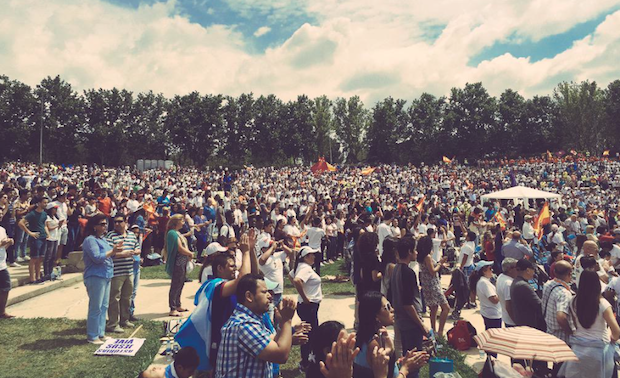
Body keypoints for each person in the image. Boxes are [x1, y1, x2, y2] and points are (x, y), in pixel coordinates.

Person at [215, 274, 297, 378]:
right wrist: (287, 321)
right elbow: (280, 355)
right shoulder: (243, 325)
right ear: (249, 296)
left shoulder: (250, 320)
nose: (270, 296)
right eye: (264, 292)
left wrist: (281, 322)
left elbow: (274, 341)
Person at [559, 270, 620, 378]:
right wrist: (612, 338)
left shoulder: (573, 301)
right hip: (599, 351)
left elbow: (575, 324)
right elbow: (616, 331)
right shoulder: (603, 304)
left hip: (577, 349)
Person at [82, 214, 123, 344]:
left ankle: (101, 333)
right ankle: (92, 335)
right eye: (102, 224)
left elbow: (109, 256)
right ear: (94, 226)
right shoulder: (90, 240)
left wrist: (115, 251)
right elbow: (97, 257)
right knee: (96, 306)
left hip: (106, 275)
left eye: (105, 224)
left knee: (104, 306)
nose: (105, 226)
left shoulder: (103, 240)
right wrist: (112, 251)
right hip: (95, 276)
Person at [390, 237, 428, 378]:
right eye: (414, 249)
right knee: (414, 362)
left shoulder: (395, 270)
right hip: (411, 323)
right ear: (409, 252)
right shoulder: (408, 272)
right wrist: (421, 324)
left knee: (408, 357)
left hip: (401, 321)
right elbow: (408, 304)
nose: (416, 252)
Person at [291, 246, 323, 371]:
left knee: (309, 332)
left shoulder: (301, 267)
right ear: (305, 257)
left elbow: (291, 275)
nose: (314, 257)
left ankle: (307, 359)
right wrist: (305, 297)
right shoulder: (305, 268)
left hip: (307, 306)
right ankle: (305, 362)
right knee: (310, 334)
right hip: (308, 306)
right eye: (311, 255)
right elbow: (297, 280)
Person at [105, 215, 139, 332]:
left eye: (120, 221)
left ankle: (124, 319)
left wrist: (134, 252)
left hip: (129, 271)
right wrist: (123, 254)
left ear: (125, 222)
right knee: (114, 298)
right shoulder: (110, 236)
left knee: (127, 297)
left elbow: (138, 248)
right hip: (116, 272)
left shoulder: (131, 235)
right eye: (115, 222)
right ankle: (113, 323)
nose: (117, 224)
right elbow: (109, 253)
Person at [541, 260, 575, 375]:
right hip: (561, 336)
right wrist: (570, 332)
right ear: (569, 274)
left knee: (557, 365)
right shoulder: (564, 293)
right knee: (562, 368)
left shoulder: (548, 284)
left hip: (550, 330)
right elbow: (561, 317)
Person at [416, 236, 449, 337]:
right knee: (446, 308)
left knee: (433, 308)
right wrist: (440, 263)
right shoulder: (427, 257)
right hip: (433, 284)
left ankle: (433, 330)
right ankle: (440, 331)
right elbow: (433, 271)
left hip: (426, 284)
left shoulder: (421, 256)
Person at [469, 260, 501, 357]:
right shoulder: (484, 283)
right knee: (494, 341)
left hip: (487, 312)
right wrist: (501, 294)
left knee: (490, 338)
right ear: (484, 271)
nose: (492, 270)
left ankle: (490, 359)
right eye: (490, 269)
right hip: (493, 314)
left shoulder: (481, 281)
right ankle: (492, 361)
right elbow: (494, 299)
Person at [165, 214, 194, 317]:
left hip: (183, 262)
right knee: (175, 284)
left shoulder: (177, 233)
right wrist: (189, 253)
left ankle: (178, 304)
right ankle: (172, 308)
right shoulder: (172, 233)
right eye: (182, 221)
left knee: (181, 283)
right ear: (176, 222)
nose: (183, 223)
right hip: (177, 263)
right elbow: (179, 248)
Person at [19, 196, 49, 284]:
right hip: (35, 238)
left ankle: (38, 276)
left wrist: (47, 234)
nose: (45, 204)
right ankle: (32, 279)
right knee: (34, 258)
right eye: (44, 202)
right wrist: (30, 232)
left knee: (40, 258)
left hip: (43, 237)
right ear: (39, 203)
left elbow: (44, 224)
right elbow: (21, 223)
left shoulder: (44, 214)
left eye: (46, 203)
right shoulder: (32, 214)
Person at [510, 258, 545, 331]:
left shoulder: (516, 281)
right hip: (528, 324)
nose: (534, 273)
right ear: (528, 270)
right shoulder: (523, 285)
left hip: (522, 322)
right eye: (533, 270)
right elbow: (539, 305)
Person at [495, 258, 518, 328]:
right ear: (510, 270)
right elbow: (509, 305)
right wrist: (516, 321)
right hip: (512, 321)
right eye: (516, 268)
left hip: (506, 317)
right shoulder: (509, 284)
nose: (518, 270)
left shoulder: (500, 277)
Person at [0, 224, 15, 319]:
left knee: (6, 288)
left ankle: (2, 312)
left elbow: (3, 248)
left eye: (1, 214)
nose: (1, 215)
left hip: (2, 264)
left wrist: (9, 243)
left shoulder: (2, 229)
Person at [459, 231, 477, 309]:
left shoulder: (467, 246)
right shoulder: (472, 243)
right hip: (470, 265)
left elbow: (465, 257)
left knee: (468, 286)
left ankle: (471, 302)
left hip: (466, 267)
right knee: (471, 285)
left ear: (469, 237)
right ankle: (472, 301)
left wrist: (461, 267)